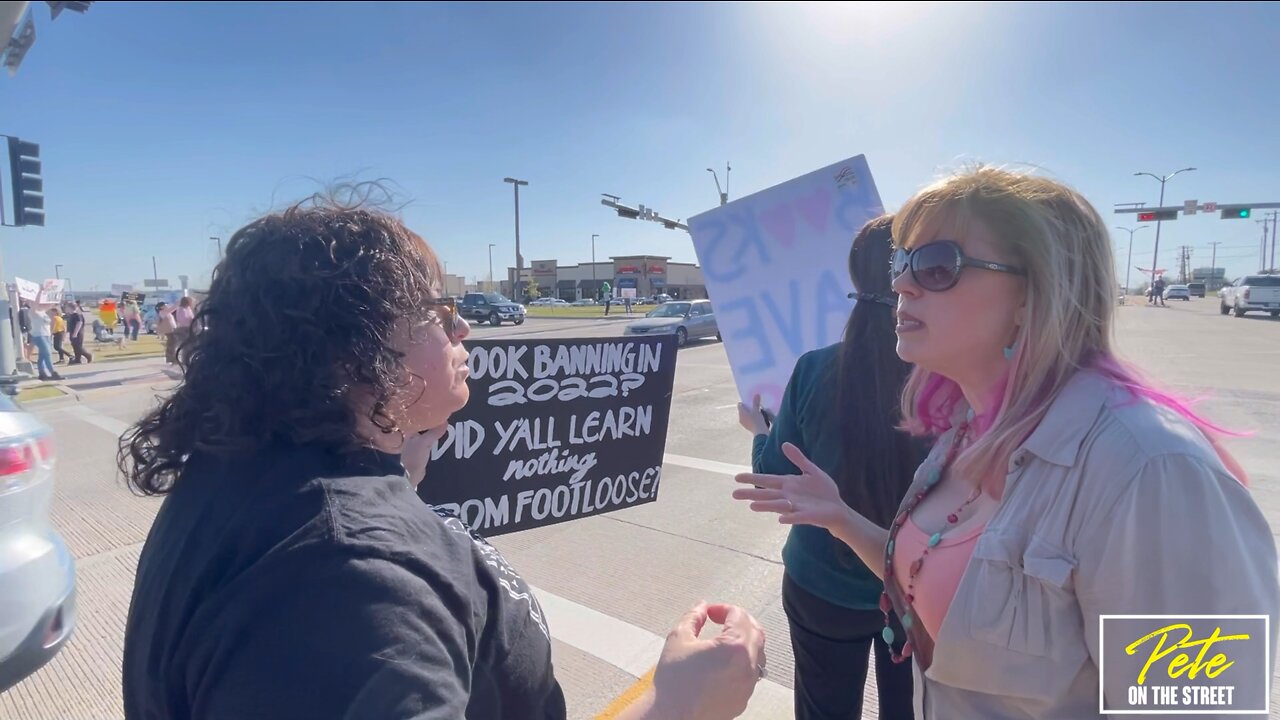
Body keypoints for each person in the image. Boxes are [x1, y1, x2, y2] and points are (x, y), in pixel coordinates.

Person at [119, 193, 767, 720]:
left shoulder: (242, 476)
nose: (462, 329)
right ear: (353, 353)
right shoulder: (354, 583)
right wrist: (675, 707)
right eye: (435, 311)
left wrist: (393, 478)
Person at [735, 167, 1278, 718]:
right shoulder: (967, 429)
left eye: (937, 264)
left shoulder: (1153, 472)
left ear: (1033, 290)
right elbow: (935, 581)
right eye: (902, 261)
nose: (901, 283)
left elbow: (1204, 705)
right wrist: (841, 518)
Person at [735, 216, 920, 720]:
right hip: (918, 591)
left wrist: (758, 431)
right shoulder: (950, 375)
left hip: (822, 586)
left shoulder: (815, 368)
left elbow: (776, 470)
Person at [27, 301, 62, 381]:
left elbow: (51, 304)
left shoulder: (43, 312)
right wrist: (40, 291)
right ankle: (53, 373)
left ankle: (42, 374)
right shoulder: (33, 312)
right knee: (47, 354)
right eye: (41, 303)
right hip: (38, 335)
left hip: (47, 335)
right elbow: (36, 303)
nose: (43, 305)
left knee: (42, 356)